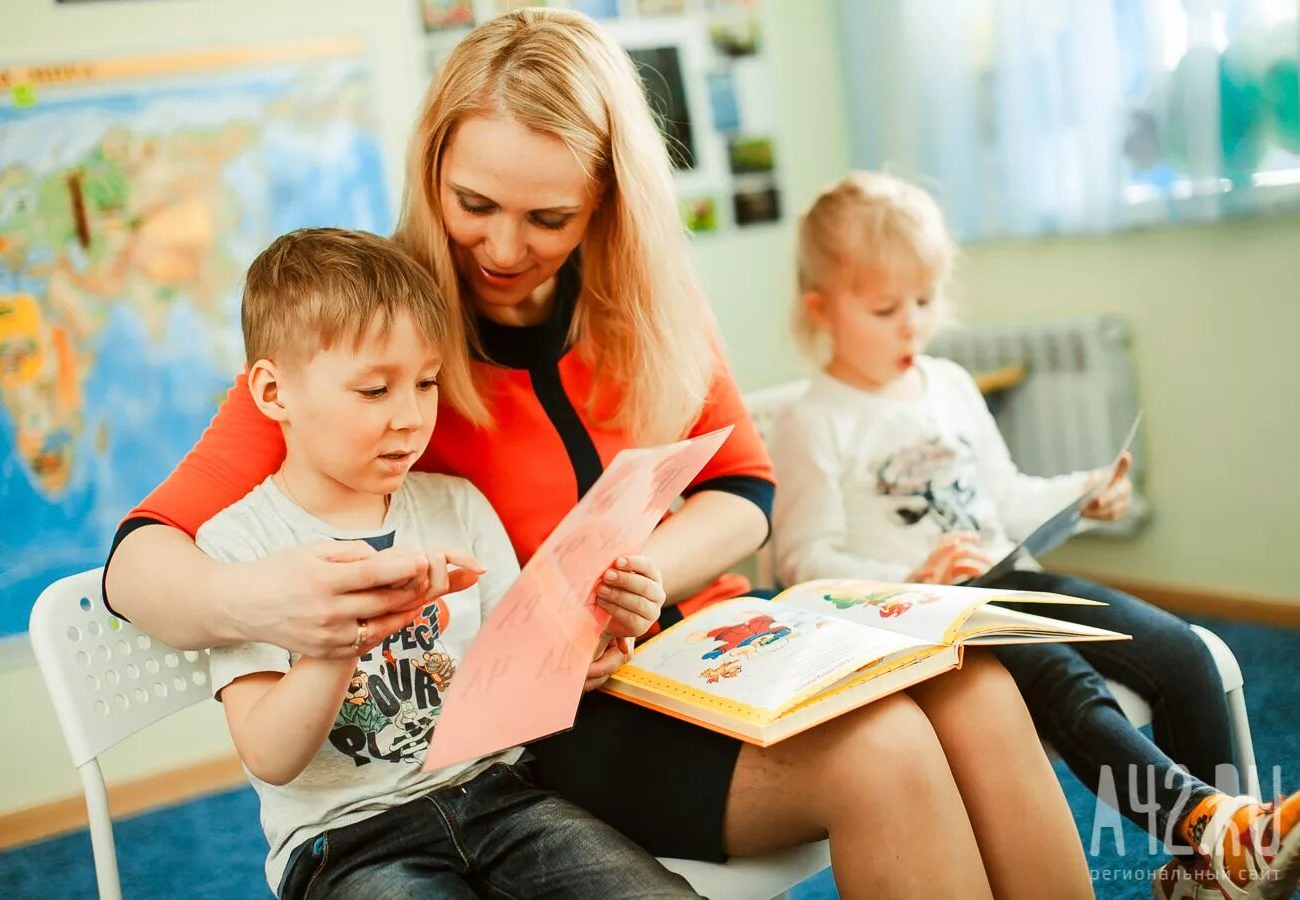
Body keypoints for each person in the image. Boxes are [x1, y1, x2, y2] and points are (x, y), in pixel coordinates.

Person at [105, 10, 1095, 897]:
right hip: (562, 722)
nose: (502, 249)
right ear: (432, 172)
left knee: (980, 687)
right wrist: (263, 604)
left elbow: (744, 487)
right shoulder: (376, 336)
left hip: (699, 645)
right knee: (887, 757)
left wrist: (641, 573)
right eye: (475, 204)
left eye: (549, 219)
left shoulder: (648, 296)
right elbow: (138, 562)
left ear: (607, 204)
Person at [772, 170, 1300, 900]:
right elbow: (803, 562)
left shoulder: (950, 382)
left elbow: (1007, 496)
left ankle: (1215, 873)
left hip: (1008, 574)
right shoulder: (812, 419)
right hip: (921, 617)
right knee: (1062, 678)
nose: (912, 325)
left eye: (925, 302)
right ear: (821, 309)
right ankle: (1217, 829)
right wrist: (914, 574)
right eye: (886, 306)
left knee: (1179, 652)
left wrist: (1082, 496)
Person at [196, 227, 696, 898]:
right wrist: (346, 635)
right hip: (345, 840)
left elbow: (511, 683)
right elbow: (269, 754)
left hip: (499, 797)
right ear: (274, 392)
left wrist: (594, 638)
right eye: (374, 391)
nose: (410, 417)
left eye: (426, 383)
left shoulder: (457, 506)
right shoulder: (237, 548)